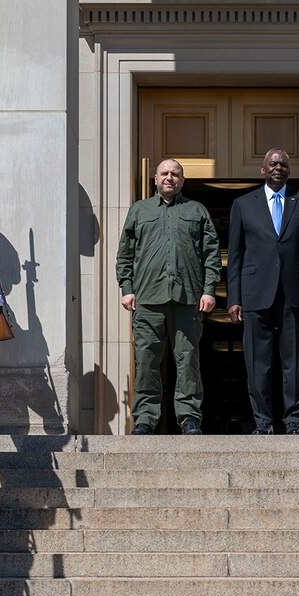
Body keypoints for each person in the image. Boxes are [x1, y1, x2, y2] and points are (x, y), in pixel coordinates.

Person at [116, 157, 221, 435]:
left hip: (187, 299)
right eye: (164, 173)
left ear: (182, 180)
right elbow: (125, 254)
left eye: (175, 174)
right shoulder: (139, 210)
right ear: (155, 179)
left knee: (187, 359)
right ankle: (145, 418)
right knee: (147, 359)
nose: (169, 178)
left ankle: (188, 417)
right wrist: (127, 288)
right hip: (148, 299)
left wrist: (209, 290)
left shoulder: (196, 210)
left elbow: (211, 253)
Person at [227, 148, 299, 434]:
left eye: (283, 164)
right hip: (255, 294)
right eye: (272, 164)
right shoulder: (243, 205)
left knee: (294, 363)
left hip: (296, 293)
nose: (278, 168)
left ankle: (294, 422)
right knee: (258, 363)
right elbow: (235, 255)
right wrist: (234, 298)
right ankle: (263, 422)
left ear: (289, 171)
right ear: (262, 170)